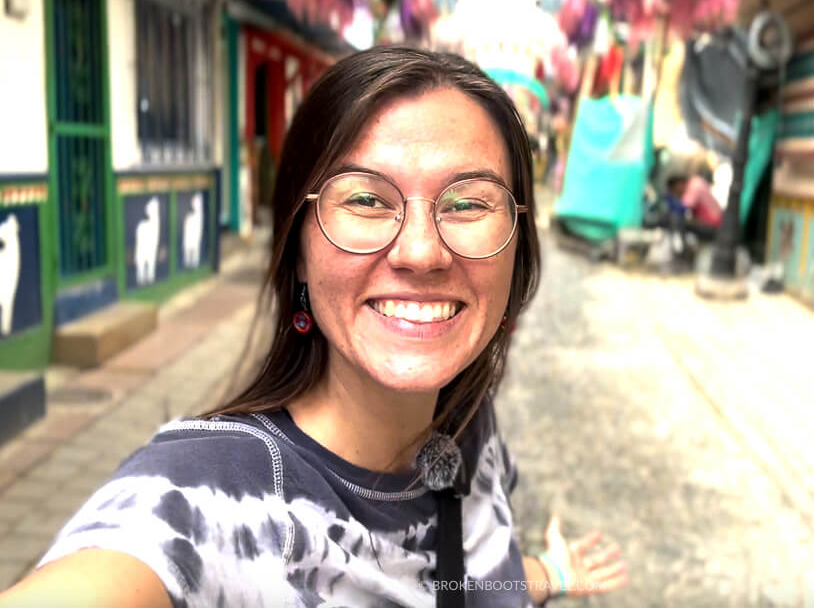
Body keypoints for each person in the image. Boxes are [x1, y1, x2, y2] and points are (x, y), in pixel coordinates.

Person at [0, 47, 627, 607]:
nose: (420, 253)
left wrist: (546, 578)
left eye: (467, 204)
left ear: (517, 249)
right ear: (297, 248)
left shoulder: (466, 424)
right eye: (365, 200)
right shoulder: (204, 504)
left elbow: (455, 577)